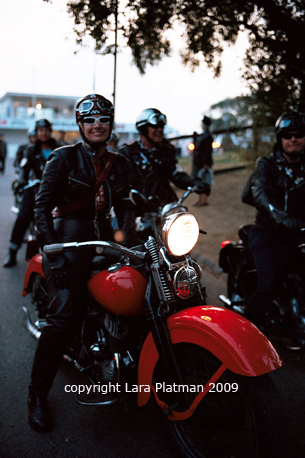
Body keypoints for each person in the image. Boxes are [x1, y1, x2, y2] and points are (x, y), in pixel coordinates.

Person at [27, 94, 135, 433]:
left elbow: (128, 202)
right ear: (80, 125)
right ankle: (36, 396)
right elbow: (41, 207)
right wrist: (52, 251)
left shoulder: (119, 162)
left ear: (111, 123)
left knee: (143, 289)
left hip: (105, 237)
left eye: (103, 119)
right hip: (69, 236)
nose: (97, 125)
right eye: (90, 120)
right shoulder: (62, 158)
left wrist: (131, 231)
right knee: (65, 314)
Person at [244, 111, 305, 347]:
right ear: (280, 138)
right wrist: (282, 218)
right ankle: (245, 334)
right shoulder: (266, 164)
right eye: (287, 135)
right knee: (270, 283)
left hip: (298, 233)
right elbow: (260, 193)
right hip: (269, 232)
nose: (293, 139)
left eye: (298, 134)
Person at [119, 108, 210, 210]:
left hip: (164, 206)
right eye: (155, 126)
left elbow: (176, 174)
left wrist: (195, 182)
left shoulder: (167, 151)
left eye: (162, 126)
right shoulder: (127, 153)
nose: (160, 130)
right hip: (136, 210)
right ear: (143, 128)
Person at [3, 119, 57, 268]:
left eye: (46, 130)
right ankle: (12, 252)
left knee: (62, 217)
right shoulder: (31, 150)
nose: (43, 133)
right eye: (40, 130)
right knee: (23, 217)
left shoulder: (59, 148)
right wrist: (22, 182)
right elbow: (24, 169)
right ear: (37, 132)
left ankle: (58, 252)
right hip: (35, 188)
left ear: (50, 131)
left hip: (55, 190)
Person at [192, 115, 214, 206]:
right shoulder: (204, 135)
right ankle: (200, 199)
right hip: (200, 162)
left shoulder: (207, 136)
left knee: (204, 180)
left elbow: (207, 151)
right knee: (200, 180)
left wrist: (206, 163)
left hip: (203, 163)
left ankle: (204, 200)